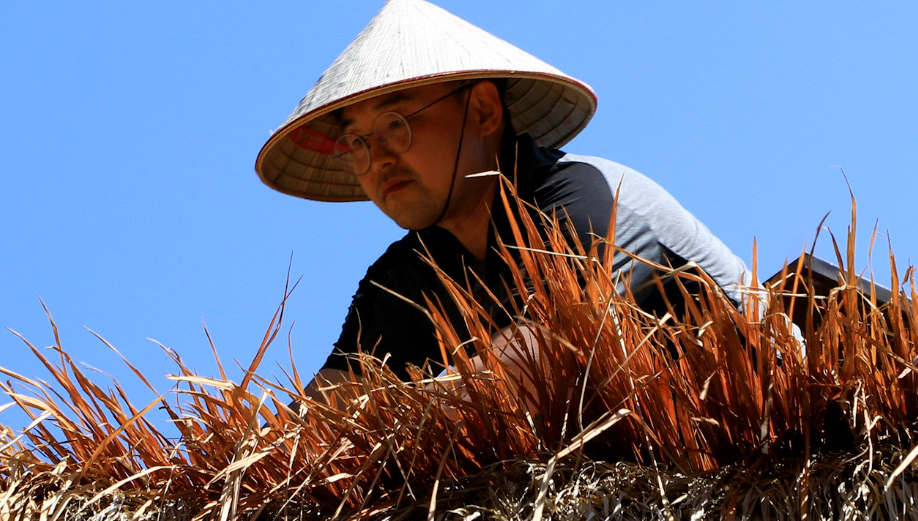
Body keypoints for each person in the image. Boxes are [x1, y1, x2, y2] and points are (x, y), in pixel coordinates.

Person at [255, 0, 753, 398]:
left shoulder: (580, 197)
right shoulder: (405, 278)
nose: (378, 158)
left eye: (395, 124)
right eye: (357, 143)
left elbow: (546, 359)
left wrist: (398, 410)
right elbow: (321, 421)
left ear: (484, 110)